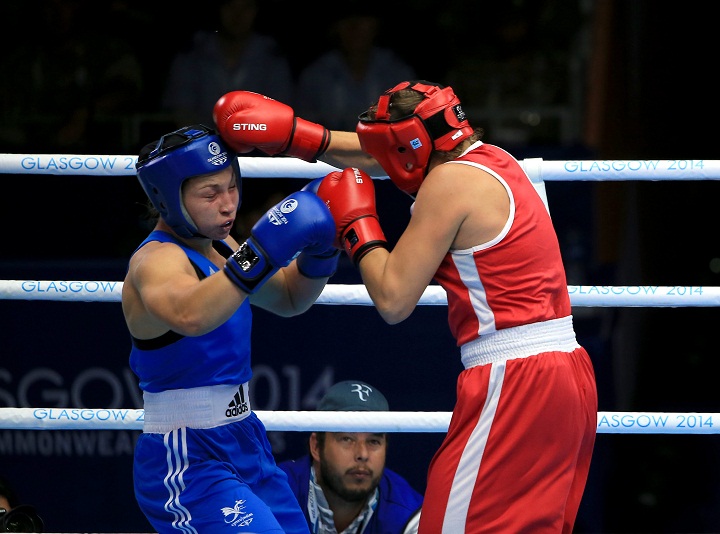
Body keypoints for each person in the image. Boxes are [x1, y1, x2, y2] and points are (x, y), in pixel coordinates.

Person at [212, 81, 598, 533]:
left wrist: (357, 224)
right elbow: (385, 155)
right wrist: (299, 137)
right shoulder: (492, 159)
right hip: (568, 372)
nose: (386, 160)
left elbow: (394, 298)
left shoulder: (449, 183)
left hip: (514, 377)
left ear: (413, 144)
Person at [122, 124, 339, 533]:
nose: (228, 206)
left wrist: (322, 250)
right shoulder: (156, 262)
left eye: (232, 187)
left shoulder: (220, 248)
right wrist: (262, 250)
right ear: (168, 201)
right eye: (210, 194)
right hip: (187, 454)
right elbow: (191, 314)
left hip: (243, 436)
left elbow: (291, 297)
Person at [277, 380, 423, 534]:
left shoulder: (410, 515)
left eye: (373, 441)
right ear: (316, 446)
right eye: (347, 439)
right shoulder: (275, 494)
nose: (362, 454)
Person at [161, 0, 294, 128]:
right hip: (201, 145)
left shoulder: (272, 57)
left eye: (246, 7)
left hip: (258, 147)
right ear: (218, 8)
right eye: (230, 5)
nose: (238, 15)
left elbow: (278, 115)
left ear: (257, 11)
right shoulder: (192, 54)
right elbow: (181, 112)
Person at [294, 2, 416, 131]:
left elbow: (409, 124)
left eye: (363, 17)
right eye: (346, 18)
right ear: (335, 27)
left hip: (385, 148)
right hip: (329, 148)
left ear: (376, 24)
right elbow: (303, 129)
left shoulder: (397, 71)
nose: (354, 25)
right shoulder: (315, 75)